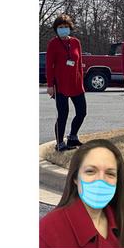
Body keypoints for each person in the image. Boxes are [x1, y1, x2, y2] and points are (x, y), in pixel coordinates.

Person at [40, 139, 124, 248]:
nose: (101, 180)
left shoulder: (120, 222)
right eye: (91, 171)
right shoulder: (47, 231)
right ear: (75, 178)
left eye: (110, 173)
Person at [45, 14, 87, 152]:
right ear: (56, 29)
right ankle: (60, 143)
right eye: (60, 27)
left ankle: (73, 137)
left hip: (76, 84)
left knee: (82, 112)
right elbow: (49, 66)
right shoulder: (53, 43)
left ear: (70, 28)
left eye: (66, 27)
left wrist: (81, 81)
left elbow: (79, 62)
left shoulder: (76, 42)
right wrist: (50, 85)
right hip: (60, 85)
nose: (63, 29)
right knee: (63, 114)